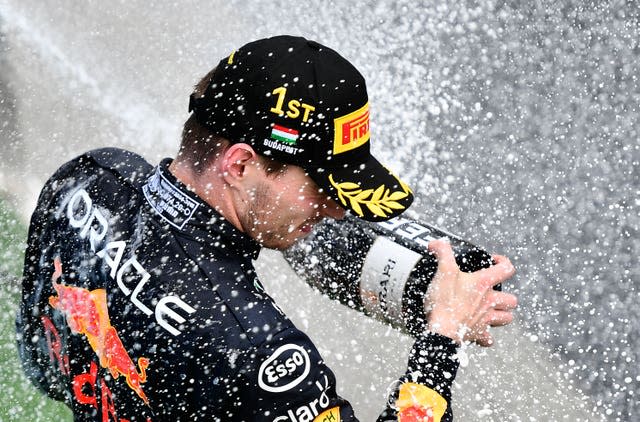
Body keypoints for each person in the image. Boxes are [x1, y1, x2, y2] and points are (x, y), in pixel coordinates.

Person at [17, 35, 517, 421]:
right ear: (239, 165)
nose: (335, 209)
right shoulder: (262, 355)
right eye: (322, 187)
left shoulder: (89, 176)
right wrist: (442, 335)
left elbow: (42, 362)